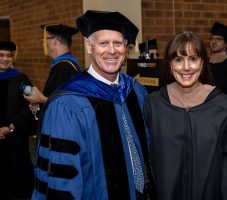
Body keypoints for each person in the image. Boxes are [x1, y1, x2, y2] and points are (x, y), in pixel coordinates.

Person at [31, 10, 155, 199]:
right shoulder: (67, 104)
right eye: (103, 43)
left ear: (125, 47)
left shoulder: (136, 91)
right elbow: (60, 178)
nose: (112, 50)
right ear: (89, 46)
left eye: (118, 43)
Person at [144, 31, 227, 200]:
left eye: (193, 59)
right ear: (169, 64)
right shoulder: (153, 105)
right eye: (179, 59)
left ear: (203, 63)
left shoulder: (225, 110)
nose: (186, 67)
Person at [0, 41, 36, 199]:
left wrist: (11, 126)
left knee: (19, 177)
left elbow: (29, 107)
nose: (5, 58)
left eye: (9, 55)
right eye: (1, 55)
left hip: (15, 136)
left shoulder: (21, 78)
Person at [24, 24, 81, 106]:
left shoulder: (63, 67)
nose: (43, 44)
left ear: (55, 41)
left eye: (45, 40)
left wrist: (42, 99)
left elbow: (68, 105)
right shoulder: (68, 64)